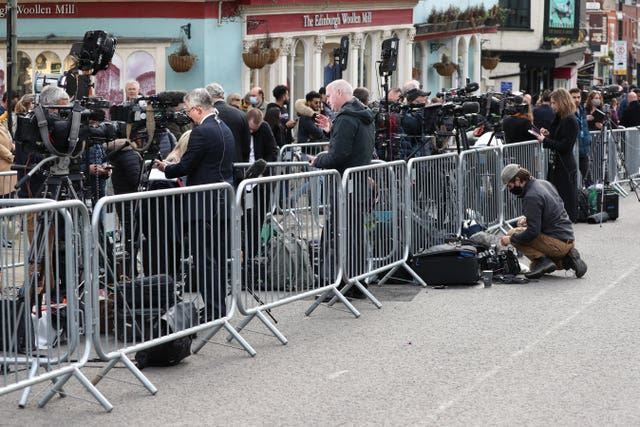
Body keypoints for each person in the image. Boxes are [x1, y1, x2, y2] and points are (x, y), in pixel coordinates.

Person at [155, 88, 235, 321]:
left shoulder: (201, 131)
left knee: (204, 260)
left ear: (198, 109)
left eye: (189, 110)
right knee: (217, 259)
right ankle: (217, 307)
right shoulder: (224, 128)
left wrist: (165, 168)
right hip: (221, 201)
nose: (188, 115)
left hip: (204, 205)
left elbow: (186, 166)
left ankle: (213, 309)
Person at [311, 79, 375, 299]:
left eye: (329, 97)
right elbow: (352, 146)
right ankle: (356, 283)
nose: (328, 102)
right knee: (355, 235)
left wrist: (317, 160)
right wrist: (332, 130)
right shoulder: (362, 114)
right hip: (356, 184)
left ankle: (334, 285)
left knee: (336, 235)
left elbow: (339, 155)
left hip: (345, 187)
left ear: (339, 92)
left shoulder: (347, 118)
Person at [500, 164, 587, 279]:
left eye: (510, 186)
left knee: (513, 234)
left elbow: (533, 232)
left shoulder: (531, 196)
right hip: (568, 238)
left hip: (557, 243)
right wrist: (529, 219)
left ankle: (544, 260)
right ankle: (566, 261)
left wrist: (511, 239)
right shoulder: (543, 183)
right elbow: (553, 209)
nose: (510, 190)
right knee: (534, 266)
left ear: (517, 180)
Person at [532, 88, 579, 222]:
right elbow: (557, 138)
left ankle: (565, 220)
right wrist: (546, 134)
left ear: (561, 102)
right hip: (556, 162)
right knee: (553, 192)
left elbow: (565, 146)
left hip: (564, 164)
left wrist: (545, 140)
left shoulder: (570, 120)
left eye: (554, 103)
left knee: (564, 194)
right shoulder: (560, 118)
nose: (552, 106)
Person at [206, 82, 251, 184]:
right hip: (237, 167)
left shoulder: (207, 115)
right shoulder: (241, 115)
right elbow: (246, 146)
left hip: (214, 170)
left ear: (208, 97)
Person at [569, 88, 592, 187]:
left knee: (588, 178)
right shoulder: (567, 112)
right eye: (574, 97)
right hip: (572, 151)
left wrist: (589, 139)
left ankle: (591, 201)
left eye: (578, 97)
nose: (577, 99)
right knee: (572, 180)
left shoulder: (582, 109)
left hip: (583, 150)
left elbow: (584, 127)